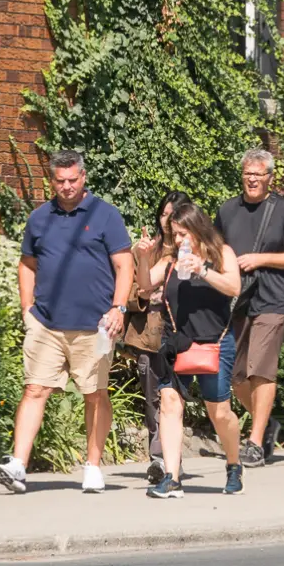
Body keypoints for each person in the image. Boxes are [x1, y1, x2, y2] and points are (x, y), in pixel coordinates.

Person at [0, 151, 132, 495]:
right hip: (46, 324)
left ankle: (93, 467)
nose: (67, 186)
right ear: (51, 180)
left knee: (94, 394)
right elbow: (27, 264)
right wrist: (27, 307)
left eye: (73, 180)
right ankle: (18, 466)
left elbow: (125, 266)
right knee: (34, 389)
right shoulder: (40, 217)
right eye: (60, 181)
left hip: (95, 325)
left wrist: (119, 308)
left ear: (83, 177)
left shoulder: (105, 215)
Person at [142, 202, 246, 498]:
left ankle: (234, 464)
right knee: (170, 402)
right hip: (179, 342)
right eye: (174, 235)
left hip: (216, 341)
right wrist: (141, 255)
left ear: (199, 228)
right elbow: (145, 285)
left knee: (220, 413)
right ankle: (172, 478)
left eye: (184, 233)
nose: (179, 240)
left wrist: (202, 270)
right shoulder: (171, 261)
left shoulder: (221, 253)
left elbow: (234, 287)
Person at [215, 148, 284, 467]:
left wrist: (262, 259)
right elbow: (215, 253)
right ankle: (266, 423)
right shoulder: (228, 211)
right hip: (237, 301)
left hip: (273, 299)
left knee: (260, 368)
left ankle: (255, 442)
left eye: (259, 174)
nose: (252, 179)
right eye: (247, 174)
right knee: (236, 375)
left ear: (270, 178)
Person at [127, 191, 188, 488]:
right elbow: (134, 289)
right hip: (147, 334)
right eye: (164, 214)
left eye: (174, 214)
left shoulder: (190, 249)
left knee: (172, 396)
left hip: (180, 333)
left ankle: (166, 456)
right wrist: (140, 256)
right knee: (152, 395)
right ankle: (160, 456)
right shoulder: (147, 249)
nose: (168, 220)